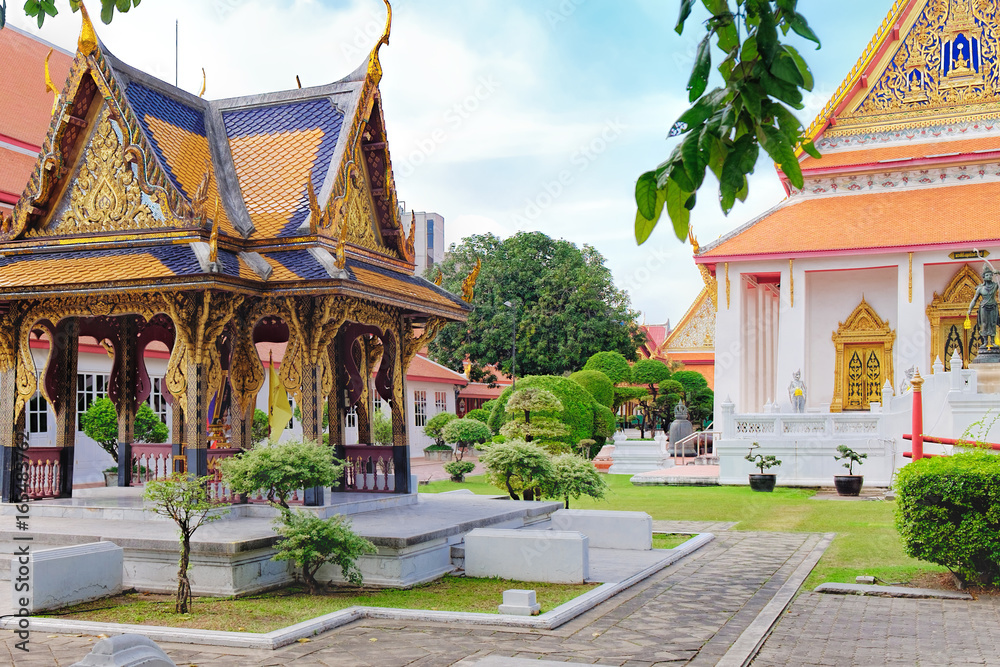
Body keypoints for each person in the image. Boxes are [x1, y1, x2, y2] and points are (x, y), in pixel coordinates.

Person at [968, 265, 999, 351]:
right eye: (987, 275)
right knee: (984, 324)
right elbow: (974, 299)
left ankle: (992, 341)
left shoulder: (995, 285)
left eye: (990, 275)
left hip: (993, 306)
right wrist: (970, 309)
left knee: (993, 323)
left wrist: (998, 273)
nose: (989, 276)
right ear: (984, 277)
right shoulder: (980, 288)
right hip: (984, 307)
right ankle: (985, 341)